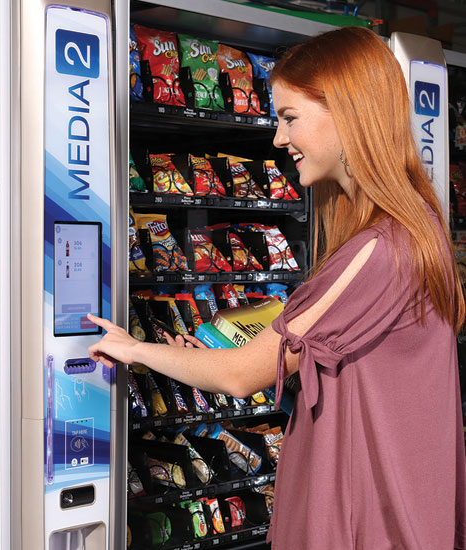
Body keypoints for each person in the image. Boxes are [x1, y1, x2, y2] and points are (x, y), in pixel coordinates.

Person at [89, 27, 466, 549]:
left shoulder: (381, 249)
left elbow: (243, 376)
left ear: (350, 113)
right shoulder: (414, 230)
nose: (278, 139)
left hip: (367, 526)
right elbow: (361, 379)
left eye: (290, 118)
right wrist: (214, 358)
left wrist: (134, 349)